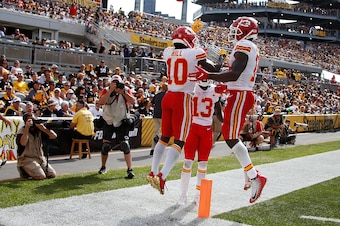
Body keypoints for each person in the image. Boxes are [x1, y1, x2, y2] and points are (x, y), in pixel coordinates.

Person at [192, 17, 267, 203]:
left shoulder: (244, 45)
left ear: (244, 30)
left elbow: (234, 74)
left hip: (241, 94)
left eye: (236, 28)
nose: (233, 31)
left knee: (230, 136)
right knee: (231, 133)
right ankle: (249, 176)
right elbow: (234, 75)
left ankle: (255, 176)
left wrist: (209, 75)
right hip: (239, 92)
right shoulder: (245, 46)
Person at [146, 26, 223, 195]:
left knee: (164, 137)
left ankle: (152, 171)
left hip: (168, 95)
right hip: (183, 98)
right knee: (179, 140)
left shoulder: (167, 52)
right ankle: (162, 175)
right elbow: (213, 69)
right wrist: (222, 59)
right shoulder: (194, 52)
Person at [177, 80, 224, 206]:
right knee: (187, 163)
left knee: (202, 165)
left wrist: (226, 106)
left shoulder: (215, 90)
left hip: (206, 130)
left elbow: (220, 115)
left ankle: (198, 195)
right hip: (192, 128)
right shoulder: (191, 86)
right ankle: (183, 194)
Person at [97, 75, 137, 179]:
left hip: (121, 119)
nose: (116, 85)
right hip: (108, 119)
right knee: (105, 146)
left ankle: (130, 169)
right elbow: (101, 102)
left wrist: (123, 92)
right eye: (113, 83)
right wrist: (110, 91)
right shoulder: (106, 90)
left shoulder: (126, 90)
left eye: (117, 83)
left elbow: (133, 101)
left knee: (125, 145)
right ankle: (103, 166)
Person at [16, 112, 57, 180]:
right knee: (41, 176)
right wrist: (27, 127)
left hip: (39, 158)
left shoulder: (39, 130)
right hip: (26, 159)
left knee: (52, 174)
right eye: (29, 120)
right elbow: (23, 143)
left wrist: (43, 128)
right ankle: (23, 169)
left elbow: (54, 136)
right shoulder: (22, 130)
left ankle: (35, 169)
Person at [149, 83, 168, 155]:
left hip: (156, 114)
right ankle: (160, 146)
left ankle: (152, 149)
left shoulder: (157, 95)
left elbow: (151, 103)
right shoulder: (167, 95)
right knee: (164, 132)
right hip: (163, 115)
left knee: (155, 131)